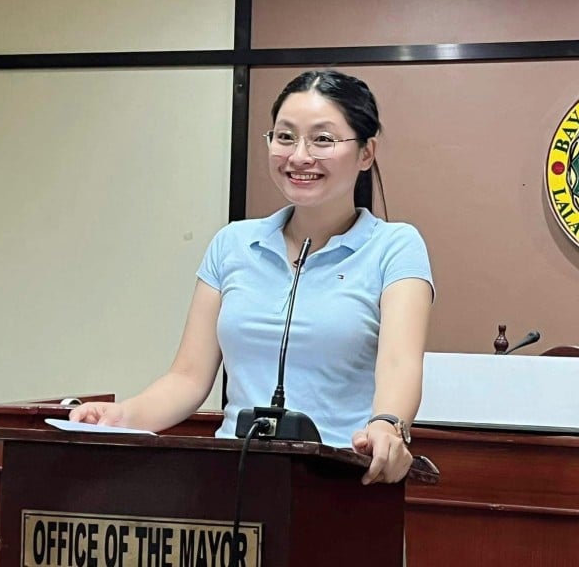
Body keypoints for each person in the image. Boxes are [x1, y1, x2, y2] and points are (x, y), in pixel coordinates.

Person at [71, 70, 434, 485]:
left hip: (343, 481)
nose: (299, 156)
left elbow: (399, 363)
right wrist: (123, 416)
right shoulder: (233, 244)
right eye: (284, 137)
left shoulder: (395, 246)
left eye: (322, 139)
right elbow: (188, 378)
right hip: (236, 481)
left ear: (366, 152)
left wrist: (387, 425)